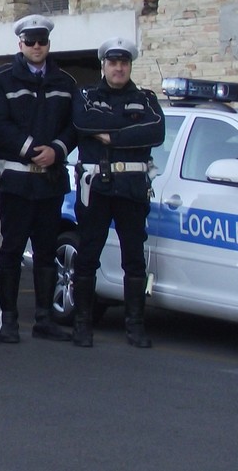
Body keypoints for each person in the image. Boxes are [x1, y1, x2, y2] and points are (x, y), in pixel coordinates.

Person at [0, 14, 78, 342]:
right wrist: (28, 148)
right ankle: (7, 320)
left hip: (50, 180)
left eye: (42, 42)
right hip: (18, 179)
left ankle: (44, 318)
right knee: (11, 250)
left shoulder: (65, 83)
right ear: (20, 44)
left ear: (49, 45)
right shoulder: (1, 79)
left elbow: (74, 125)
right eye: (30, 42)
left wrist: (57, 148)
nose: (36, 47)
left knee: (46, 250)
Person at [70, 36, 165, 349]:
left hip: (132, 188)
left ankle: (135, 325)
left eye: (124, 63)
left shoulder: (147, 99)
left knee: (134, 258)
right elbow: (83, 123)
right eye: (113, 62)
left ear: (130, 66)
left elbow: (156, 131)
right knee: (87, 255)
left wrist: (111, 134)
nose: (119, 68)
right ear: (104, 65)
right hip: (96, 186)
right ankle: (82, 324)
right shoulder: (85, 95)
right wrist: (128, 128)